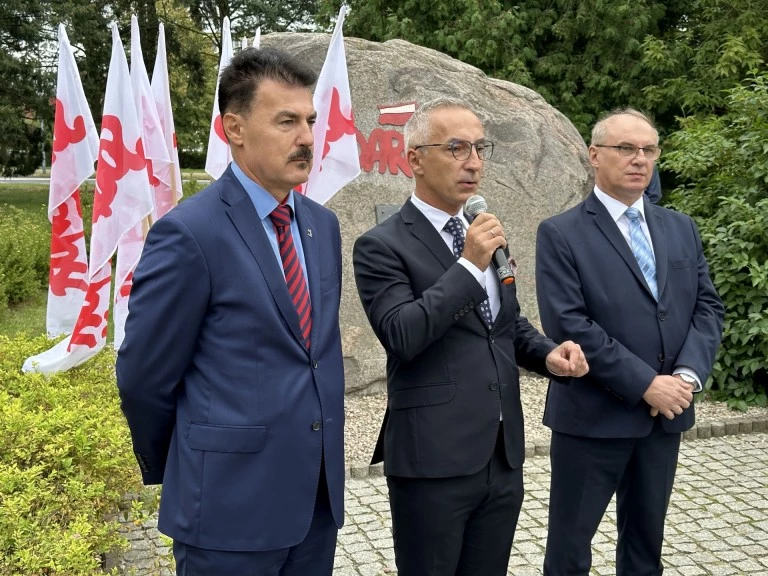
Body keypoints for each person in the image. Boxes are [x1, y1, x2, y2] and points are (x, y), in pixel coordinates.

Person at [116, 47, 346, 576]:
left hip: (315, 504)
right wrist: (193, 463)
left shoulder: (321, 225)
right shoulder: (190, 233)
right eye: (287, 121)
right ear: (234, 129)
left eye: (310, 120)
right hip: (226, 513)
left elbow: (313, 355)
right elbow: (144, 377)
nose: (307, 137)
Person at [352, 97, 589, 576]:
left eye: (481, 148)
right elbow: (403, 334)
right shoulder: (382, 245)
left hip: (501, 454)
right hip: (432, 459)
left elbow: (505, 325)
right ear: (414, 158)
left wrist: (549, 356)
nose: (474, 163)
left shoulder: (483, 232)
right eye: (457, 148)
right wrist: (468, 265)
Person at [535, 108, 724, 576]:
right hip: (593, 419)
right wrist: (646, 384)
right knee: (569, 551)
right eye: (626, 148)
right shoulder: (560, 232)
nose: (639, 159)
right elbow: (570, 324)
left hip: (663, 420)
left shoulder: (681, 228)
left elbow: (707, 308)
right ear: (594, 156)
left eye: (649, 149)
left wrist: (683, 378)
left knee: (645, 549)